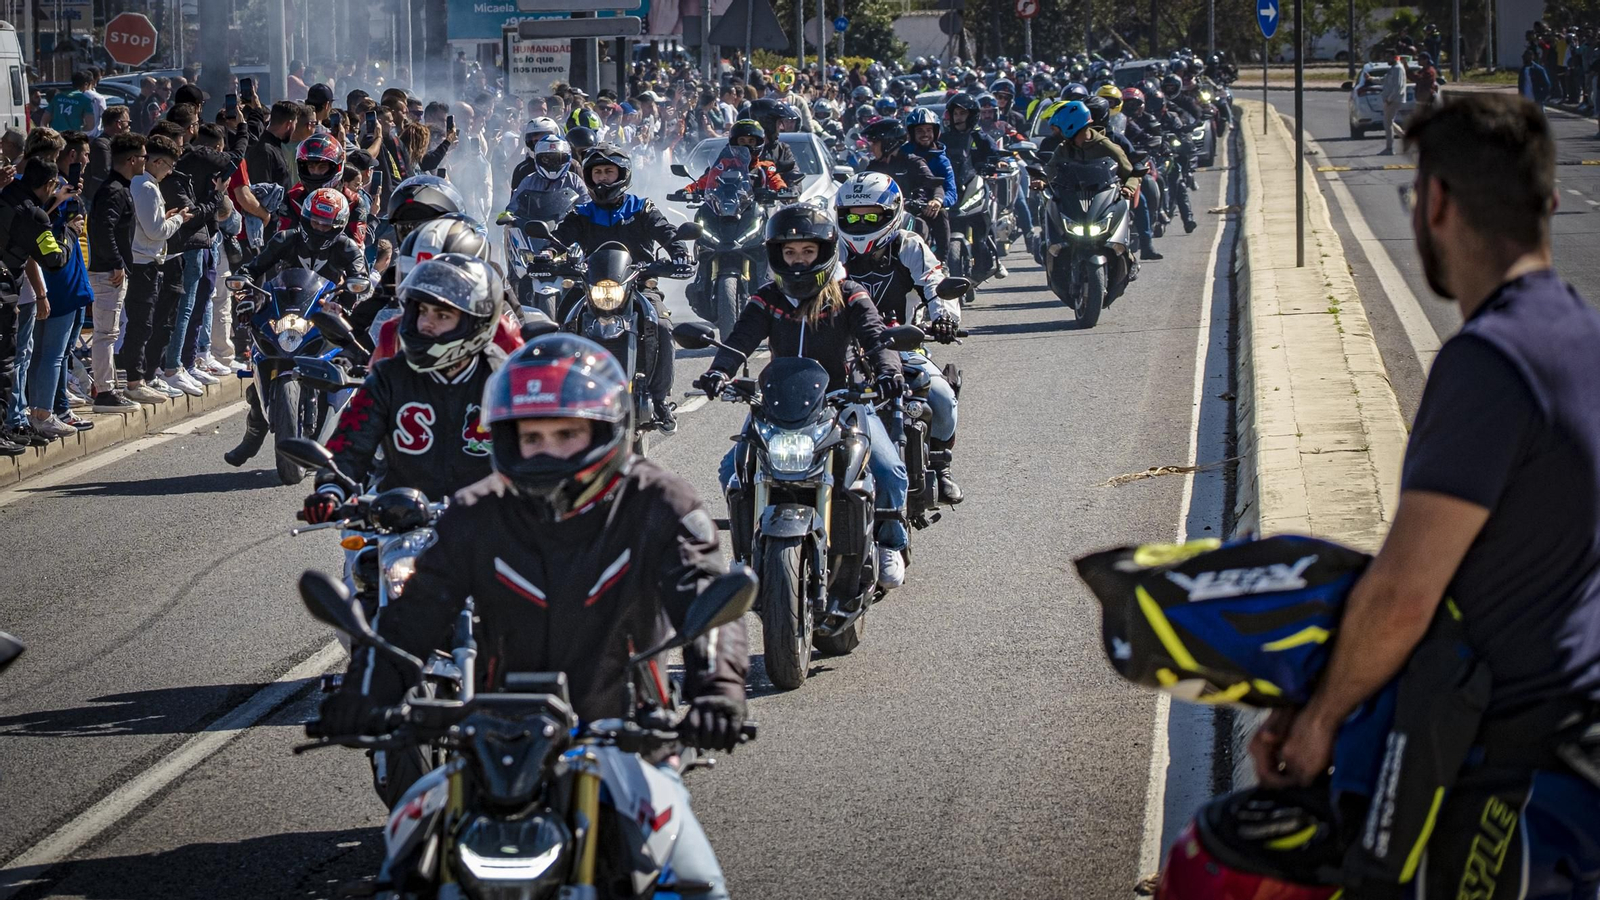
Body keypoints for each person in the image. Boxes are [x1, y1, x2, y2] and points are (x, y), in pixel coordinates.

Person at [1250, 94, 1600, 898]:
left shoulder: (1488, 361)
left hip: (1505, 777)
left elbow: (1407, 592)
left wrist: (1321, 717)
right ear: (1547, 200)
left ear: (1435, 201)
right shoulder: (1582, 333)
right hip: (1576, 759)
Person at [316, 335, 750, 900]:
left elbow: (707, 596)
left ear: (605, 430)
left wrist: (718, 692)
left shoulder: (658, 502)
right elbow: (413, 619)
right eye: (532, 435)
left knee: (694, 882)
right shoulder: (475, 514)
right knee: (403, 861)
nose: (547, 450)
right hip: (497, 740)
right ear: (505, 438)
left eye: (566, 434)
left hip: (625, 737)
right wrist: (365, 694)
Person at [695, 204, 911, 588]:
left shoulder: (849, 293)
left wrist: (889, 371)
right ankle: (745, 554)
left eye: (807, 252)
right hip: (779, 406)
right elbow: (740, 339)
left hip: (843, 401)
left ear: (824, 252)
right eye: (790, 252)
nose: (798, 261)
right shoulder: (767, 298)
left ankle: (889, 544)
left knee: (889, 469)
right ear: (777, 254)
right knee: (732, 471)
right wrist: (717, 372)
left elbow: (876, 337)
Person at [301, 253, 506, 522]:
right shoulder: (389, 376)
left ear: (476, 322)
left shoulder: (504, 379)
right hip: (397, 520)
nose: (427, 323)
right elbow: (351, 444)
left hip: (485, 527)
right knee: (362, 560)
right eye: (421, 311)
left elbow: (536, 455)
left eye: (442, 315)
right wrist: (331, 488)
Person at [834, 172, 964, 505]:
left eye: (870, 216)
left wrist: (945, 317)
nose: (859, 223)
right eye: (851, 216)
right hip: (845, 350)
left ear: (892, 212)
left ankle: (940, 466)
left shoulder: (908, 244)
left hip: (904, 344)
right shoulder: (833, 249)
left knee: (942, 396)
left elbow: (935, 283)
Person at [225, 188, 373, 466]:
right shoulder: (285, 239)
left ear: (339, 225)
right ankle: (251, 437)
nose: (320, 227)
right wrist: (244, 282)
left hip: (327, 312)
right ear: (305, 218)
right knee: (262, 362)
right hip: (287, 309)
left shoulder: (347, 246)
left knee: (361, 364)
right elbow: (255, 267)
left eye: (327, 223)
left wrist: (351, 294)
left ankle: (365, 438)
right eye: (315, 220)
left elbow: (359, 278)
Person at [549, 144, 691, 433]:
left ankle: (661, 400)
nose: (603, 178)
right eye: (597, 172)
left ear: (622, 175)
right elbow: (558, 240)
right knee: (562, 325)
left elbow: (667, 233)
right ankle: (560, 395)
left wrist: (679, 252)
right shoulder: (581, 213)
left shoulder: (641, 208)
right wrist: (547, 255)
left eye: (608, 172)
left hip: (638, 285)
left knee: (662, 326)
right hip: (590, 286)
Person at [0, 158, 72, 455]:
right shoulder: (36, 216)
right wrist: (67, 234)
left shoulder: (7, 194)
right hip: (4, 290)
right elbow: (53, 259)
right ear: (49, 185)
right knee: (5, 362)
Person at [116, 136, 193, 406]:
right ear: (157, 161)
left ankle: (137, 377)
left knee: (142, 323)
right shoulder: (146, 186)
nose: (170, 171)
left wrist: (167, 217)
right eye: (169, 165)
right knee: (141, 324)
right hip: (143, 262)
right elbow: (156, 231)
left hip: (144, 260)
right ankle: (135, 380)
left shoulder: (144, 185)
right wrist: (178, 220)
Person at [85, 132, 146, 413]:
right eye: (143, 157)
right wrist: (116, 262)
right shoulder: (114, 191)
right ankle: (105, 391)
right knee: (105, 334)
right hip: (108, 273)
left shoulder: (118, 188)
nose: (144, 162)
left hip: (110, 270)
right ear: (132, 159)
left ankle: (106, 386)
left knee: (108, 332)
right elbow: (102, 228)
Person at [902, 108, 957, 261]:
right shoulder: (902, 154)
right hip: (903, 206)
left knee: (940, 214)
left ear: (936, 132)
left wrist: (937, 202)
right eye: (919, 130)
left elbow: (951, 191)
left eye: (928, 130)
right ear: (912, 133)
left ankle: (942, 261)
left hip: (930, 208)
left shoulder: (942, 160)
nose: (925, 134)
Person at [1381, 56, 1410, 155]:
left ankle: (1389, 148)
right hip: (1391, 100)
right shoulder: (1393, 69)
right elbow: (1384, 80)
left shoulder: (1398, 69)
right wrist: (1371, 78)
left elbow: (1398, 86)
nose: (1386, 60)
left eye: (1388, 57)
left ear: (1393, 58)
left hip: (1394, 100)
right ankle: (1405, 137)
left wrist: (1390, 99)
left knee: (1388, 123)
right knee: (1388, 121)